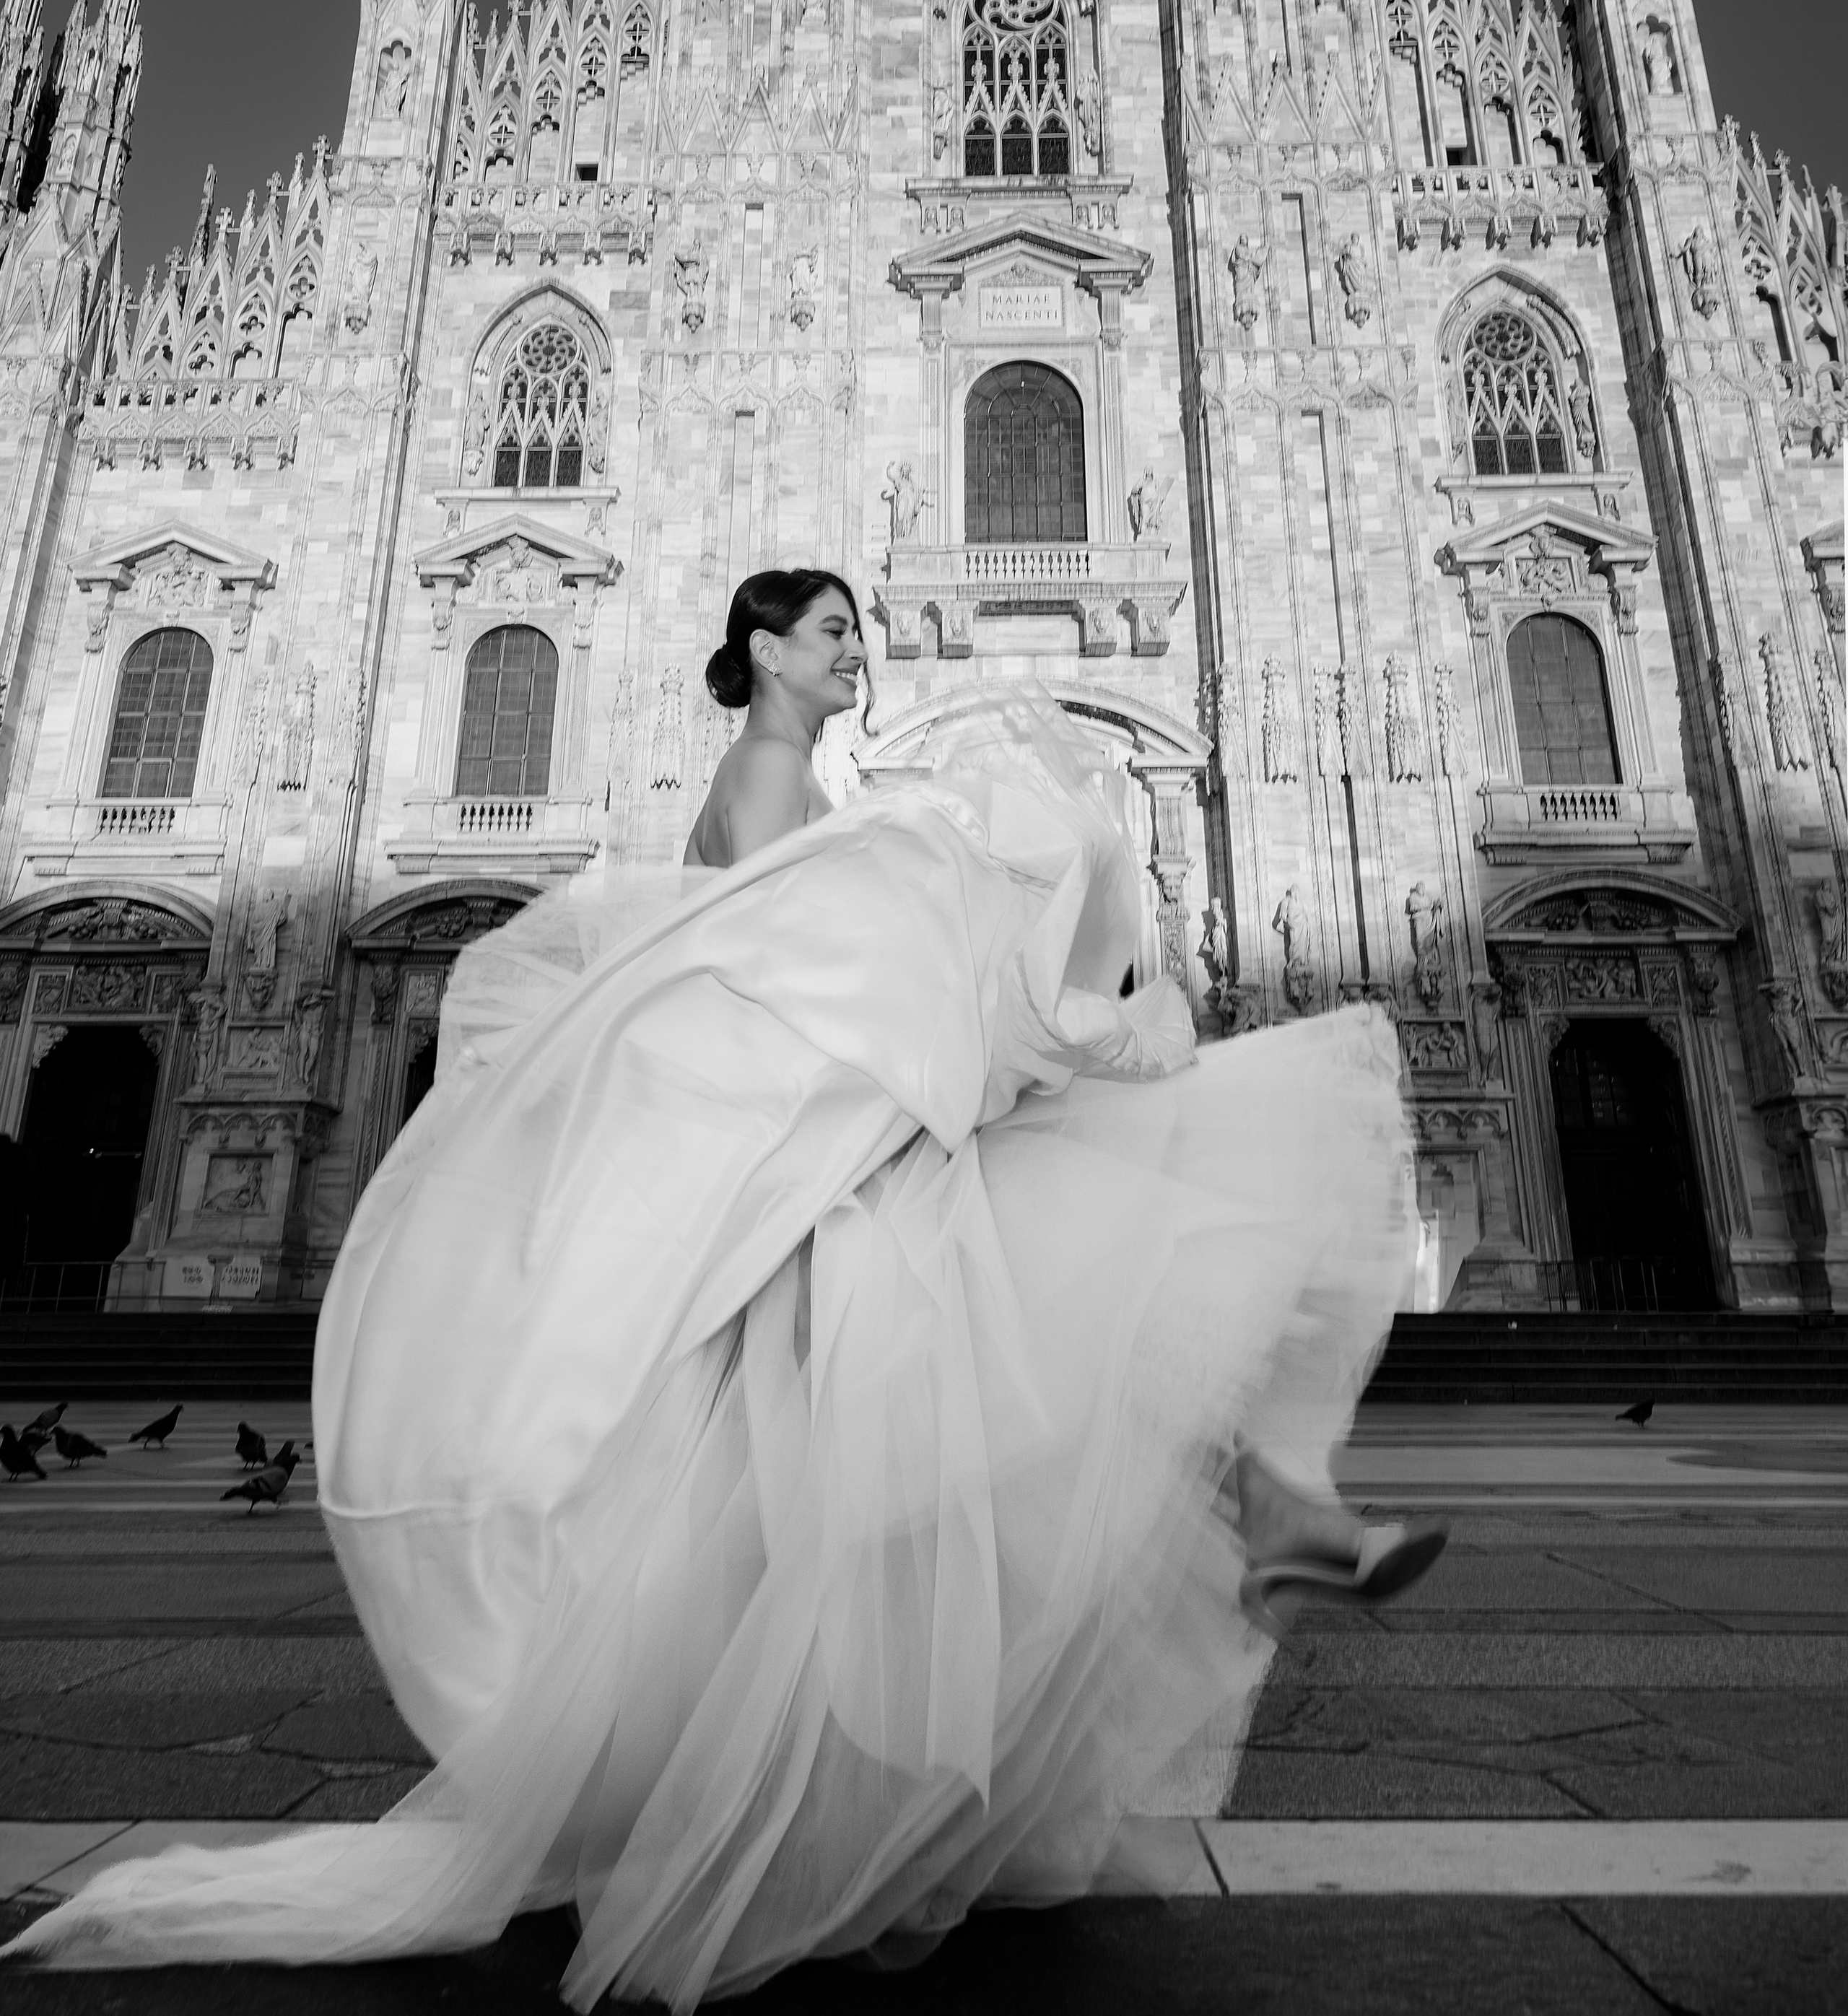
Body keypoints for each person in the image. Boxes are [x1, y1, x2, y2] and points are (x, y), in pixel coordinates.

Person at [6, 568, 1440, 2008]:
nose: (854, 652)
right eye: (831, 631)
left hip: (810, 1164)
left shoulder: (784, 777)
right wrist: (1007, 1041)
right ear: (764, 649)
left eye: (855, 633)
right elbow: (789, 1002)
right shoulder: (763, 777)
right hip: (802, 1183)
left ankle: (1252, 1531)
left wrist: (1004, 1029)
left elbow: (825, 980)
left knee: (995, 1403)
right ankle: (1239, 1537)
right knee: (1051, 1343)